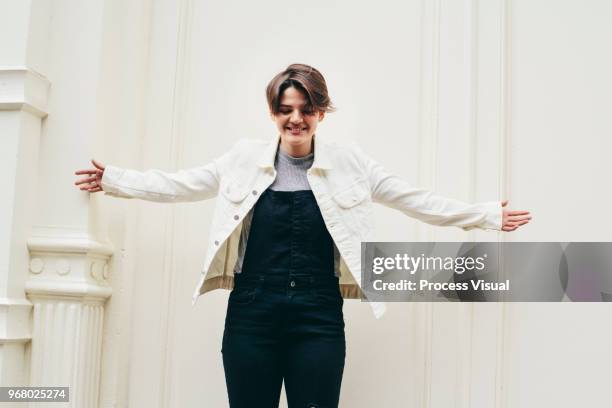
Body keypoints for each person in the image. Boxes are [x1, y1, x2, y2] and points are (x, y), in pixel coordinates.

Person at [74, 63, 531, 408]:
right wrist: (113, 179)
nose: (296, 119)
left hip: (319, 316)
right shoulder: (242, 159)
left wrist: (486, 215)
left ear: (321, 112)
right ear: (272, 112)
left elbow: (415, 199)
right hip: (252, 313)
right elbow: (179, 184)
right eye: (285, 109)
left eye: (306, 109)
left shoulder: (351, 164)